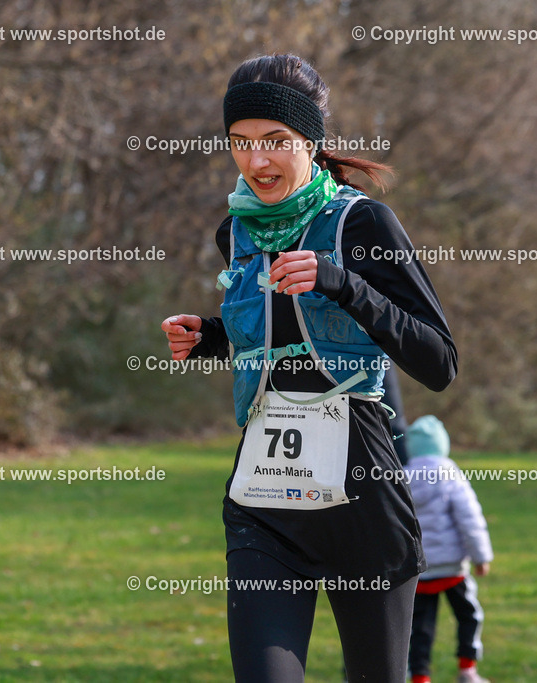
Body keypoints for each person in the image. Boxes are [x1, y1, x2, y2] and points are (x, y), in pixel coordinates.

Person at [161, 54, 457, 682]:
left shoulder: (363, 222)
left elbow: (438, 361)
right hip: (265, 503)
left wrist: (342, 283)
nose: (256, 161)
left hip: (361, 498)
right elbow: (278, 335)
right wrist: (209, 336)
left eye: (275, 141)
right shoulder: (236, 232)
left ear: (311, 140)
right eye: (240, 142)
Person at [403, 416, 493, 683]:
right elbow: (470, 518)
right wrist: (481, 556)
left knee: (419, 627)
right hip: (453, 569)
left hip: (419, 571)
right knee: (469, 616)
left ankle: (420, 677)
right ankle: (467, 669)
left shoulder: (403, 476)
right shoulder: (450, 474)